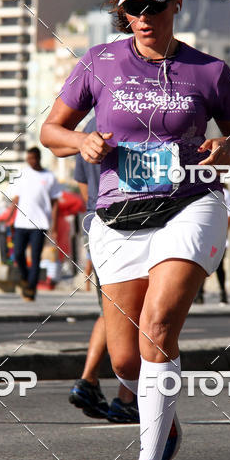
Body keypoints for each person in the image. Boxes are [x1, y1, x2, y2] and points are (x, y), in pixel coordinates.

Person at [41, 0, 230, 460]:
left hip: (191, 204)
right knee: (124, 360)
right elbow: (51, 131)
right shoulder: (99, 63)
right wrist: (79, 144)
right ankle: (163, 414)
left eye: (152, 7)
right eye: (131, 9)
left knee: (158, 325)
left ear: (176, 6)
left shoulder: (210, 72)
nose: (141, 18)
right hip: (119, 215)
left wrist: (229, 149)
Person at [69, 118, 139, 423]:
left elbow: (85, 188)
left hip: (96, 223)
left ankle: (89, 381)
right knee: (137, 310)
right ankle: (126, 399)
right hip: (133, 221)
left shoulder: (88, 125)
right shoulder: (133, 118)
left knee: (111, 308)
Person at [10, 147, 62, 301]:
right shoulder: (22, 174)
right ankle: (25, 279)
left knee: (35, 257)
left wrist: (54, 225)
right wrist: (9, 217)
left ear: (38, 158)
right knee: (18, 254)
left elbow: (55, 203)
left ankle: (31, 289)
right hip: (21, 222)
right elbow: (16, 199)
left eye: (33, 158)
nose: (30, 161)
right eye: (28, 159)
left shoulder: (49, 176)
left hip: (40, 224)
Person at [194, 186, 230, 305]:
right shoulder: (203, 190)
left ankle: (223, 293)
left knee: (218, 266)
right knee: (201, 263)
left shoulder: (225, 193)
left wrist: (223, 233)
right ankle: (199, 294)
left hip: (218, 238)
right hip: (205, 236)